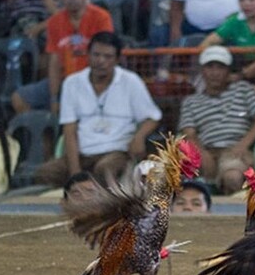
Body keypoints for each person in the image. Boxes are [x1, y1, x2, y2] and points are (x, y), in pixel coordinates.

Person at [35, 32, 162, 187]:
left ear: (117, 59)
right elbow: (69, 130)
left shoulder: (131, 81)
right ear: (88, 55)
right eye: (96, 55)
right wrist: (75, 172)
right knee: (45, 173)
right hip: (83, 153)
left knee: (105, 170)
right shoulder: (72, 83)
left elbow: (153, 117)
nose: (100, 61)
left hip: (117, 151)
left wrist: (139, 137)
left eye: (108, 57)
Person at [10, 0, 114, 115]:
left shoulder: (101, 17)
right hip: (64, 80)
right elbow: (54, 62)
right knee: (19, 98)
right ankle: (47, 135)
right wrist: (54, 98)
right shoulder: (54, 22)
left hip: (94, 81)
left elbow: (106, 57)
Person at [178, 45, 255, 195]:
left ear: (228, 71)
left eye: (220, 67)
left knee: (232, 177)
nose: (215, 73)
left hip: (235, 150)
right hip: (205, 150)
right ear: (202, 70)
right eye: (210, 67)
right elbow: (189, 133)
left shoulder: (243, 89)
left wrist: (243, 145)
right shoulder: (191, 101)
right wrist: (202, 153)